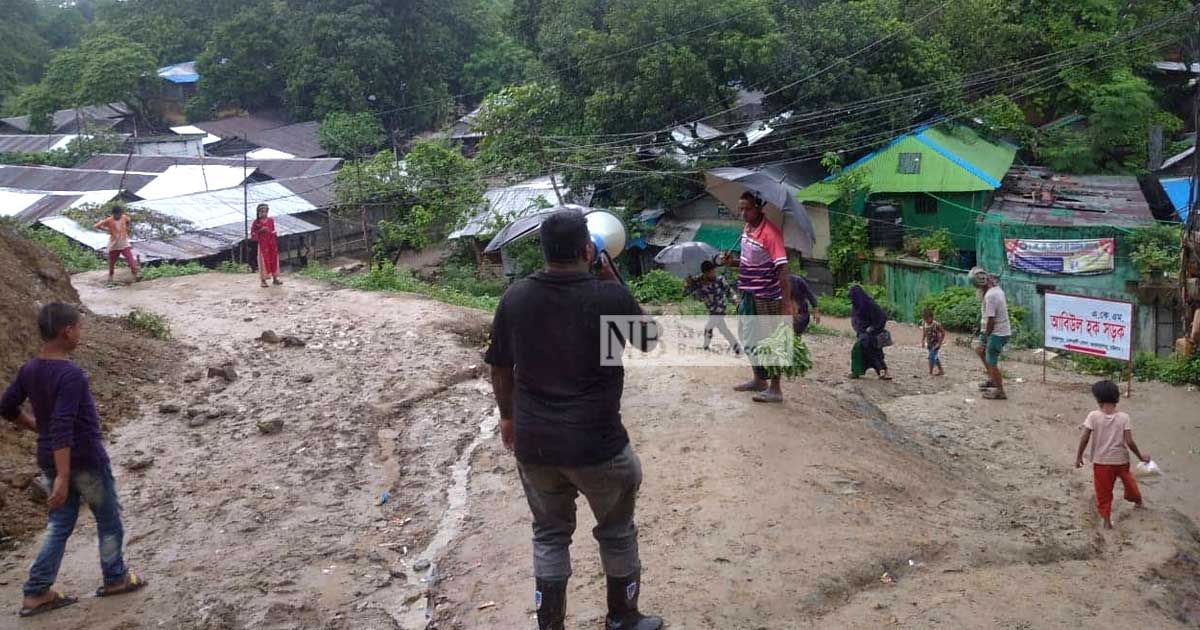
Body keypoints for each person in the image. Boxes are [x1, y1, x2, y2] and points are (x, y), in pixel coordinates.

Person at [485, 209, 663, 630]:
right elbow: (648, 341)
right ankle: (623, 616)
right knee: (616, 531)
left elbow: (499, 367)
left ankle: (551, 625)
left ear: (543, 251)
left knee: (549, 534)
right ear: (589, 250)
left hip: (536, 445)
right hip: (598, 446)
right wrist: (610, 276)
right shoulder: (609, 297)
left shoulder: (516, 298)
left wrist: (508, 418)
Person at [0, 303, 147, 618]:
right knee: (107, 519)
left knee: (59, 524)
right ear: (67, 332)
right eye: (79, 327)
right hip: (83, 462)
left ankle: (37, 591)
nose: (81, 333)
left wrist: (38, 427)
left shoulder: (30, 370)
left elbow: (7, 406)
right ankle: (115, 577)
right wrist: (65, 476)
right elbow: (65, 424)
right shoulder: (71, 374)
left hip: (51, 459)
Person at [724, 191, 793, 404]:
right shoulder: (747, 229)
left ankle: (775, 388)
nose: (743, 213)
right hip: (748, 293)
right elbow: (749, 263)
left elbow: (782, 269)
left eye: (747, 209)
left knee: (769, 341)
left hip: (767, 296)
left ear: (759, 208)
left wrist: (786, 304)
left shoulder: (770, 234)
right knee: (748, 337)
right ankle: (758, 379)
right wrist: (731, 262)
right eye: (741, 208)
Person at [1075, 380, 1149, 529]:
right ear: (1117, 398)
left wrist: (1079, 457)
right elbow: (1130, 442)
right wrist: (1141, 457)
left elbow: (1084, 437)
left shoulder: (1093, 416)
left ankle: (1107, 521)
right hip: (1121, 460)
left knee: (1103, 491)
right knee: (1129, 482)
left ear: (1097, 399)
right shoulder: (1124, 417)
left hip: (1101, 462)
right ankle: (1138, 501)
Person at [970, 267, 1010, 400]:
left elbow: (991, 321)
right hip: (998, 331)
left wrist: (984, 338)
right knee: (981, 352)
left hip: (996, 333)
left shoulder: (990, 296)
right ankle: (993, 380)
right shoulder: (996, 290)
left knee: (991, 360)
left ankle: (1000, 391)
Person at [684, 260, 741, 353]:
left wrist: (735, 300)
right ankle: (736, 348)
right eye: (711, 272)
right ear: (705, 273)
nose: (713, 274)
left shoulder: (719, 279)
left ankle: (706, 347)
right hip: (711, 309)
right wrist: (688, 284)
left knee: (709, 327)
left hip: (720, 308)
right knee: (723, 329)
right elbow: (685, 293)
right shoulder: (698, 281)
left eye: (714, 271)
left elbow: (729, 291)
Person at [848, 285, 891, 380]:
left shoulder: (870, 304)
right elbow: (856, 320)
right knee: (860, 350)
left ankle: (883, 371)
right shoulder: (856, 306)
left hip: (873, 335)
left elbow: (882, 317)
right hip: (863, 335)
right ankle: (857, 372)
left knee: (873, 353)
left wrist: (873, 328)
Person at [93, 205, 140, 284]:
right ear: (113, 214)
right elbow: (96, 226)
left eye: (120, 214)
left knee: (131, 260)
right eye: (117, 214)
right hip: (114, 244)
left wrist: (127, 229)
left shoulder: (124, 217)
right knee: (112, 263)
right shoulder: (109, 220)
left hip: (123, 243)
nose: (118, 216)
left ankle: (135, 275)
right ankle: (110, 276)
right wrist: (107, 230)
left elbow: (128, 221)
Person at [250, 203, 282, 288]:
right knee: (263, 262)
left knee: (274, 260)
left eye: (265, 212)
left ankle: (275, 278)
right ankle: (263, 280)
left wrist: (274, 233)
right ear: (258, 212)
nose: (264, 214)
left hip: (271, 243)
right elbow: (253, 234)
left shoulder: (271, 220)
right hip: (263, 245)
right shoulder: (256, 222)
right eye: (262, 212)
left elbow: (273, 230)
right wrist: (261, 230)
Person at [920, 308, 945, 377]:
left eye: (927, 319)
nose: (926, 320)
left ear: (931, 317)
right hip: (929, 344)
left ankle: (930, 372)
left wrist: (939, 343)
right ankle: (941, 370)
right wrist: (922, 340)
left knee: (931, 357)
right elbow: (924, 333)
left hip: (935, 344)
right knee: (935, 357)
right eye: (924, 319)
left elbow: (943, 333)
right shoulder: (924, 324)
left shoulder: (936, 324)